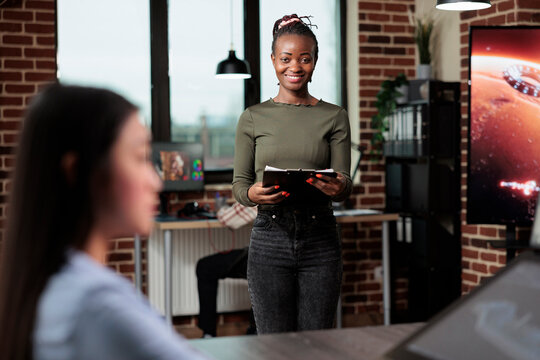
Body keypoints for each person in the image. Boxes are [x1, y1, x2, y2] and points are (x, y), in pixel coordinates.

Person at [0, 84, 208, 360]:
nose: (155, 181)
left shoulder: (41, 285)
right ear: (77, 172)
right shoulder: (98, 305)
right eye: (140, 158)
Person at [232, 14, 352, 334]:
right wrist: (251, 194)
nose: (294, 67)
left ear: (314, 61)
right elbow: (240, 185)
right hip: (269, 237)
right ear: (273, 60)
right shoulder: (252, 117)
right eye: (285, 59)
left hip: (321, 238)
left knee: (316, 341)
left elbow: (345, 182)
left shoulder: (335, 116)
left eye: (304, 59)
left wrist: (338, 186)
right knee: (273, 343)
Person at [195, 247, 256, 338]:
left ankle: (255, 330)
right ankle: (208, 335)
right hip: (254, 251)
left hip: (270, 257)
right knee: (205, 267)